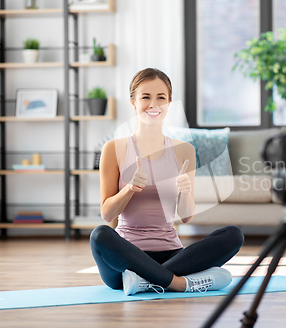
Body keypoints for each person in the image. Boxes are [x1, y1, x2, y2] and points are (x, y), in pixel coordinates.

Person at [90, 68, 244, 295]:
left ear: (169, 103)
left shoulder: (184, 151)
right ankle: (178, 283)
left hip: (171, 253)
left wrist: (184, 192)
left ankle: (146, 281)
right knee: (100, 235)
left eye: (161, 97)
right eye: (145, 97)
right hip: (126, 258)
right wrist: (130, 189)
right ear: (133, 102)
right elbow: (107, 214)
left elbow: (187, 215)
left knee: (233, 235)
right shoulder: (114, 149)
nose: (154, 104)